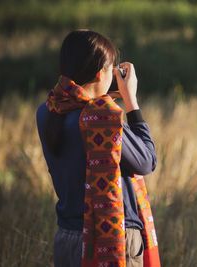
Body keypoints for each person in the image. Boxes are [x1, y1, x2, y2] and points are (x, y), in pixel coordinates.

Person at [36, 30, 160, 267]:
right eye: (110, 68)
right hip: (111, 241)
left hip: (67, 237)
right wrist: (131, 101)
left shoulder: (47, 111)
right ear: (99, 73)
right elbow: (147, 161)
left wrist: (104, 98)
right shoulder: (102, 118)